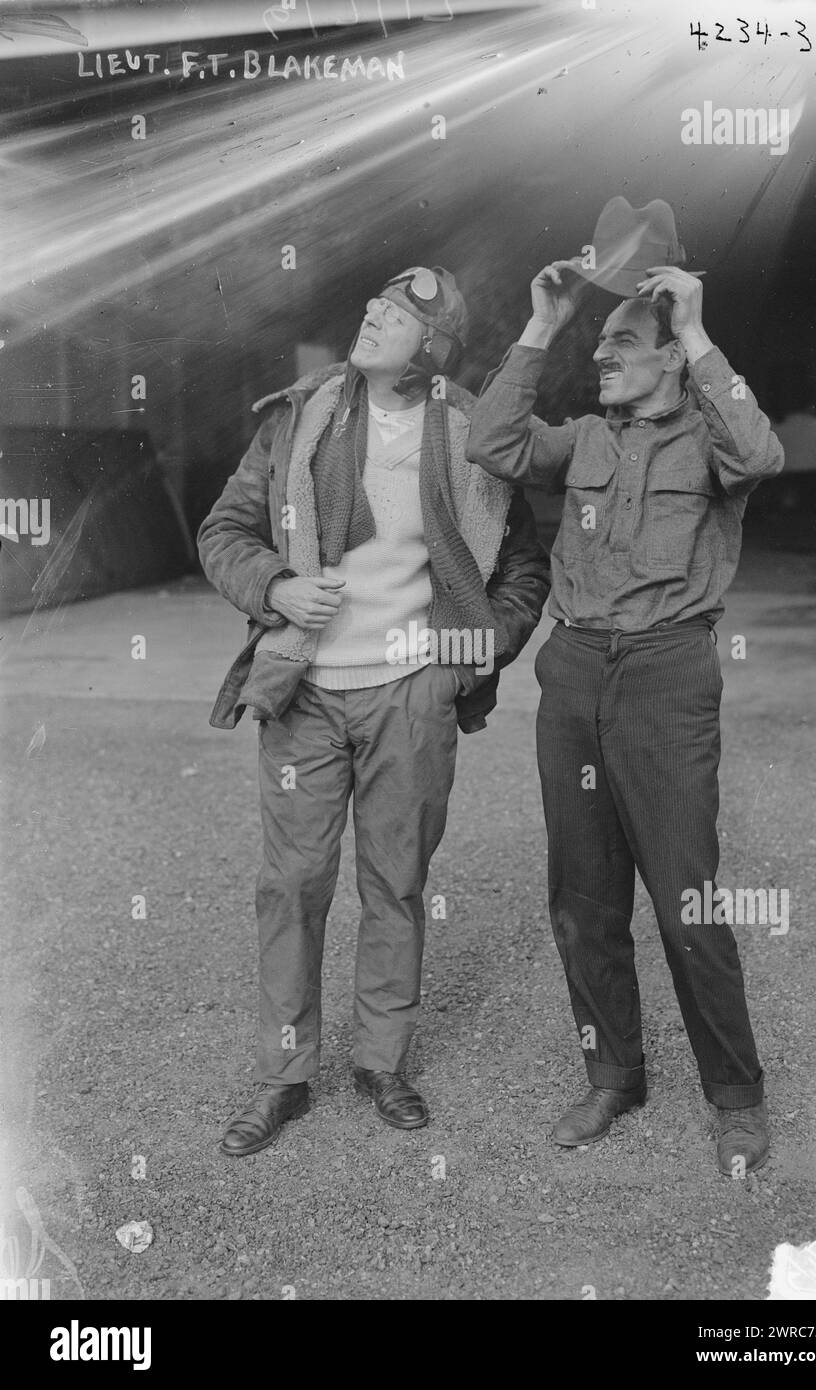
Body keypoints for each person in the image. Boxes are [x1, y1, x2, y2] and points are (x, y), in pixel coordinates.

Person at [198, 266, 550, 1156]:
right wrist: (277, 586)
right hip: (304, 688)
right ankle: (284, 1077)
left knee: (395, 883)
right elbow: (222, 534)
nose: (370, 317)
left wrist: (463, 658)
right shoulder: (298, 417)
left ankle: (381, 1061)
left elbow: (522, 573)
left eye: (392, 315)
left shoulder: (477, 434)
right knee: (292, 884)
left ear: (431, 345)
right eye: (371, 306)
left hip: (411, 697)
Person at [465, 259, 784, 1175]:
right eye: (599, 343)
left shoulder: (711, 439)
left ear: (670, 361)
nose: (600, 356)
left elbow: (760, 456)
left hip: (664, 673)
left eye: (623, 344)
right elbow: (492, 441)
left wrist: (692, 328)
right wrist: (541, 326)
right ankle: (614, 1073)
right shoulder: (584, 440)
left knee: (686, 897)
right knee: (581, 896)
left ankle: (735, 1098)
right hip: (572, 672)